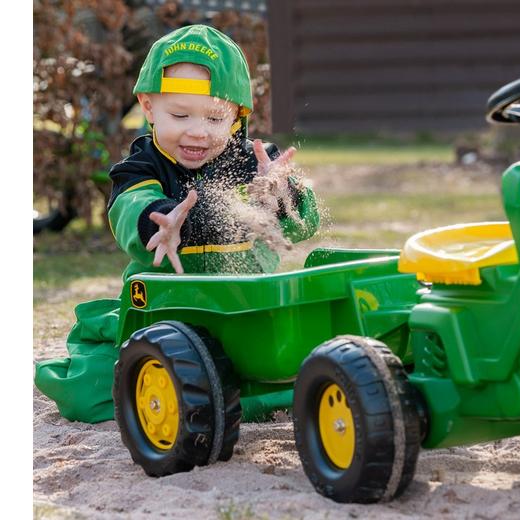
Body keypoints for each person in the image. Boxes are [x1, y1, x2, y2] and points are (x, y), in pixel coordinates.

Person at [34, 24, 320, 423]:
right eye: (180, 114)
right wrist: (160, 223)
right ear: (149, 107)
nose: (198, 131)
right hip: (165, 318)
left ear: (238, 117)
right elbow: (131, 209)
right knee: (88, 393)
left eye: (215, 118)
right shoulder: (141, 168)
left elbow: (303, 224)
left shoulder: (255, 165)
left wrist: (282, 197)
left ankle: (237, 395)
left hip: (244, 315)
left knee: (296, 362)